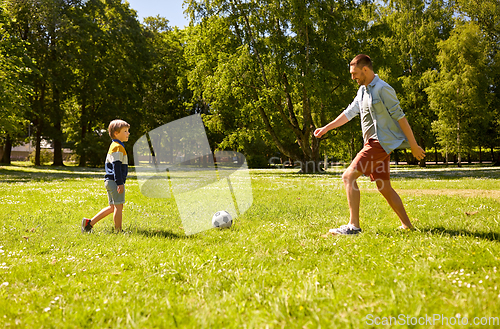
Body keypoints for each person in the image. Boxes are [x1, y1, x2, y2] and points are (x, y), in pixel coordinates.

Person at [314, 54, 425, 235]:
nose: (353, 77)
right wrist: (326, 128)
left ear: (365, 69)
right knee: (384, 186)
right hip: (374, 143)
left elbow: (400, 117)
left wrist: (413, 144)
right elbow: (349, 113)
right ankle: (407, 225)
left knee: (348, 177)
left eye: (355, 73)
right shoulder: (363, 91)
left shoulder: (383, 89)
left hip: (378, 143)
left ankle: (353, 226)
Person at [81, 119, 130, 233]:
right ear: (116, 133)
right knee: (118, 207)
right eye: (125, 131)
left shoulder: (115, 145)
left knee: (112, 207)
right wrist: (119, 182)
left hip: (110, 180)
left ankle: (89, 223)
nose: (128, 133)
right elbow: (116, 166)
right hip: (115, 181)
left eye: (128, 131)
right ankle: (118, 231)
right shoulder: (118, 147)